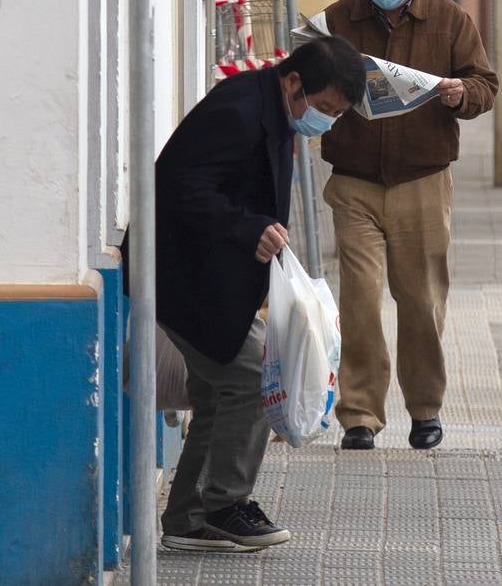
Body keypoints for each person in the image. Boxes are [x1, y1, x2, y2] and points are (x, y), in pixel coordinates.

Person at [147, 36, 366, 553]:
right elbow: (177, 186)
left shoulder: (273, 108)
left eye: (337, 114)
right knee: (247, 377)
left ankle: (187, 518)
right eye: (325, 108)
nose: (326, 122)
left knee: (217, 390)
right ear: (294, 83)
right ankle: (224, 506)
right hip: (182, 273)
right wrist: (248, 228)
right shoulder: (242, 111)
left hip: (210, 275)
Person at [320, 0, 498, 452]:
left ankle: (424, 409)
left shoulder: (449, 19)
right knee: (359, 298)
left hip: (422, 180)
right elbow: (305, 84)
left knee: (421, 300)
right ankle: (359, 415)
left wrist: (458, 94)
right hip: (354, 180)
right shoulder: (337, 20)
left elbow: (485, 86)